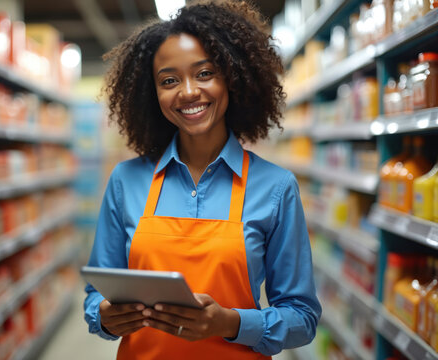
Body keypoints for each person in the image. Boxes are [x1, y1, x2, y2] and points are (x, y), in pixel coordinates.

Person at [84, 1, 321, 359]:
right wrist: (105, 317)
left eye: (205, 73)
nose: (189, 91)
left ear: (233, 77)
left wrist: (230, 324)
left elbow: (302, 317)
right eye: (169, 80)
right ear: (153, 94)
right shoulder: (126, 181)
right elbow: (95, 295)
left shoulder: (275, 187)